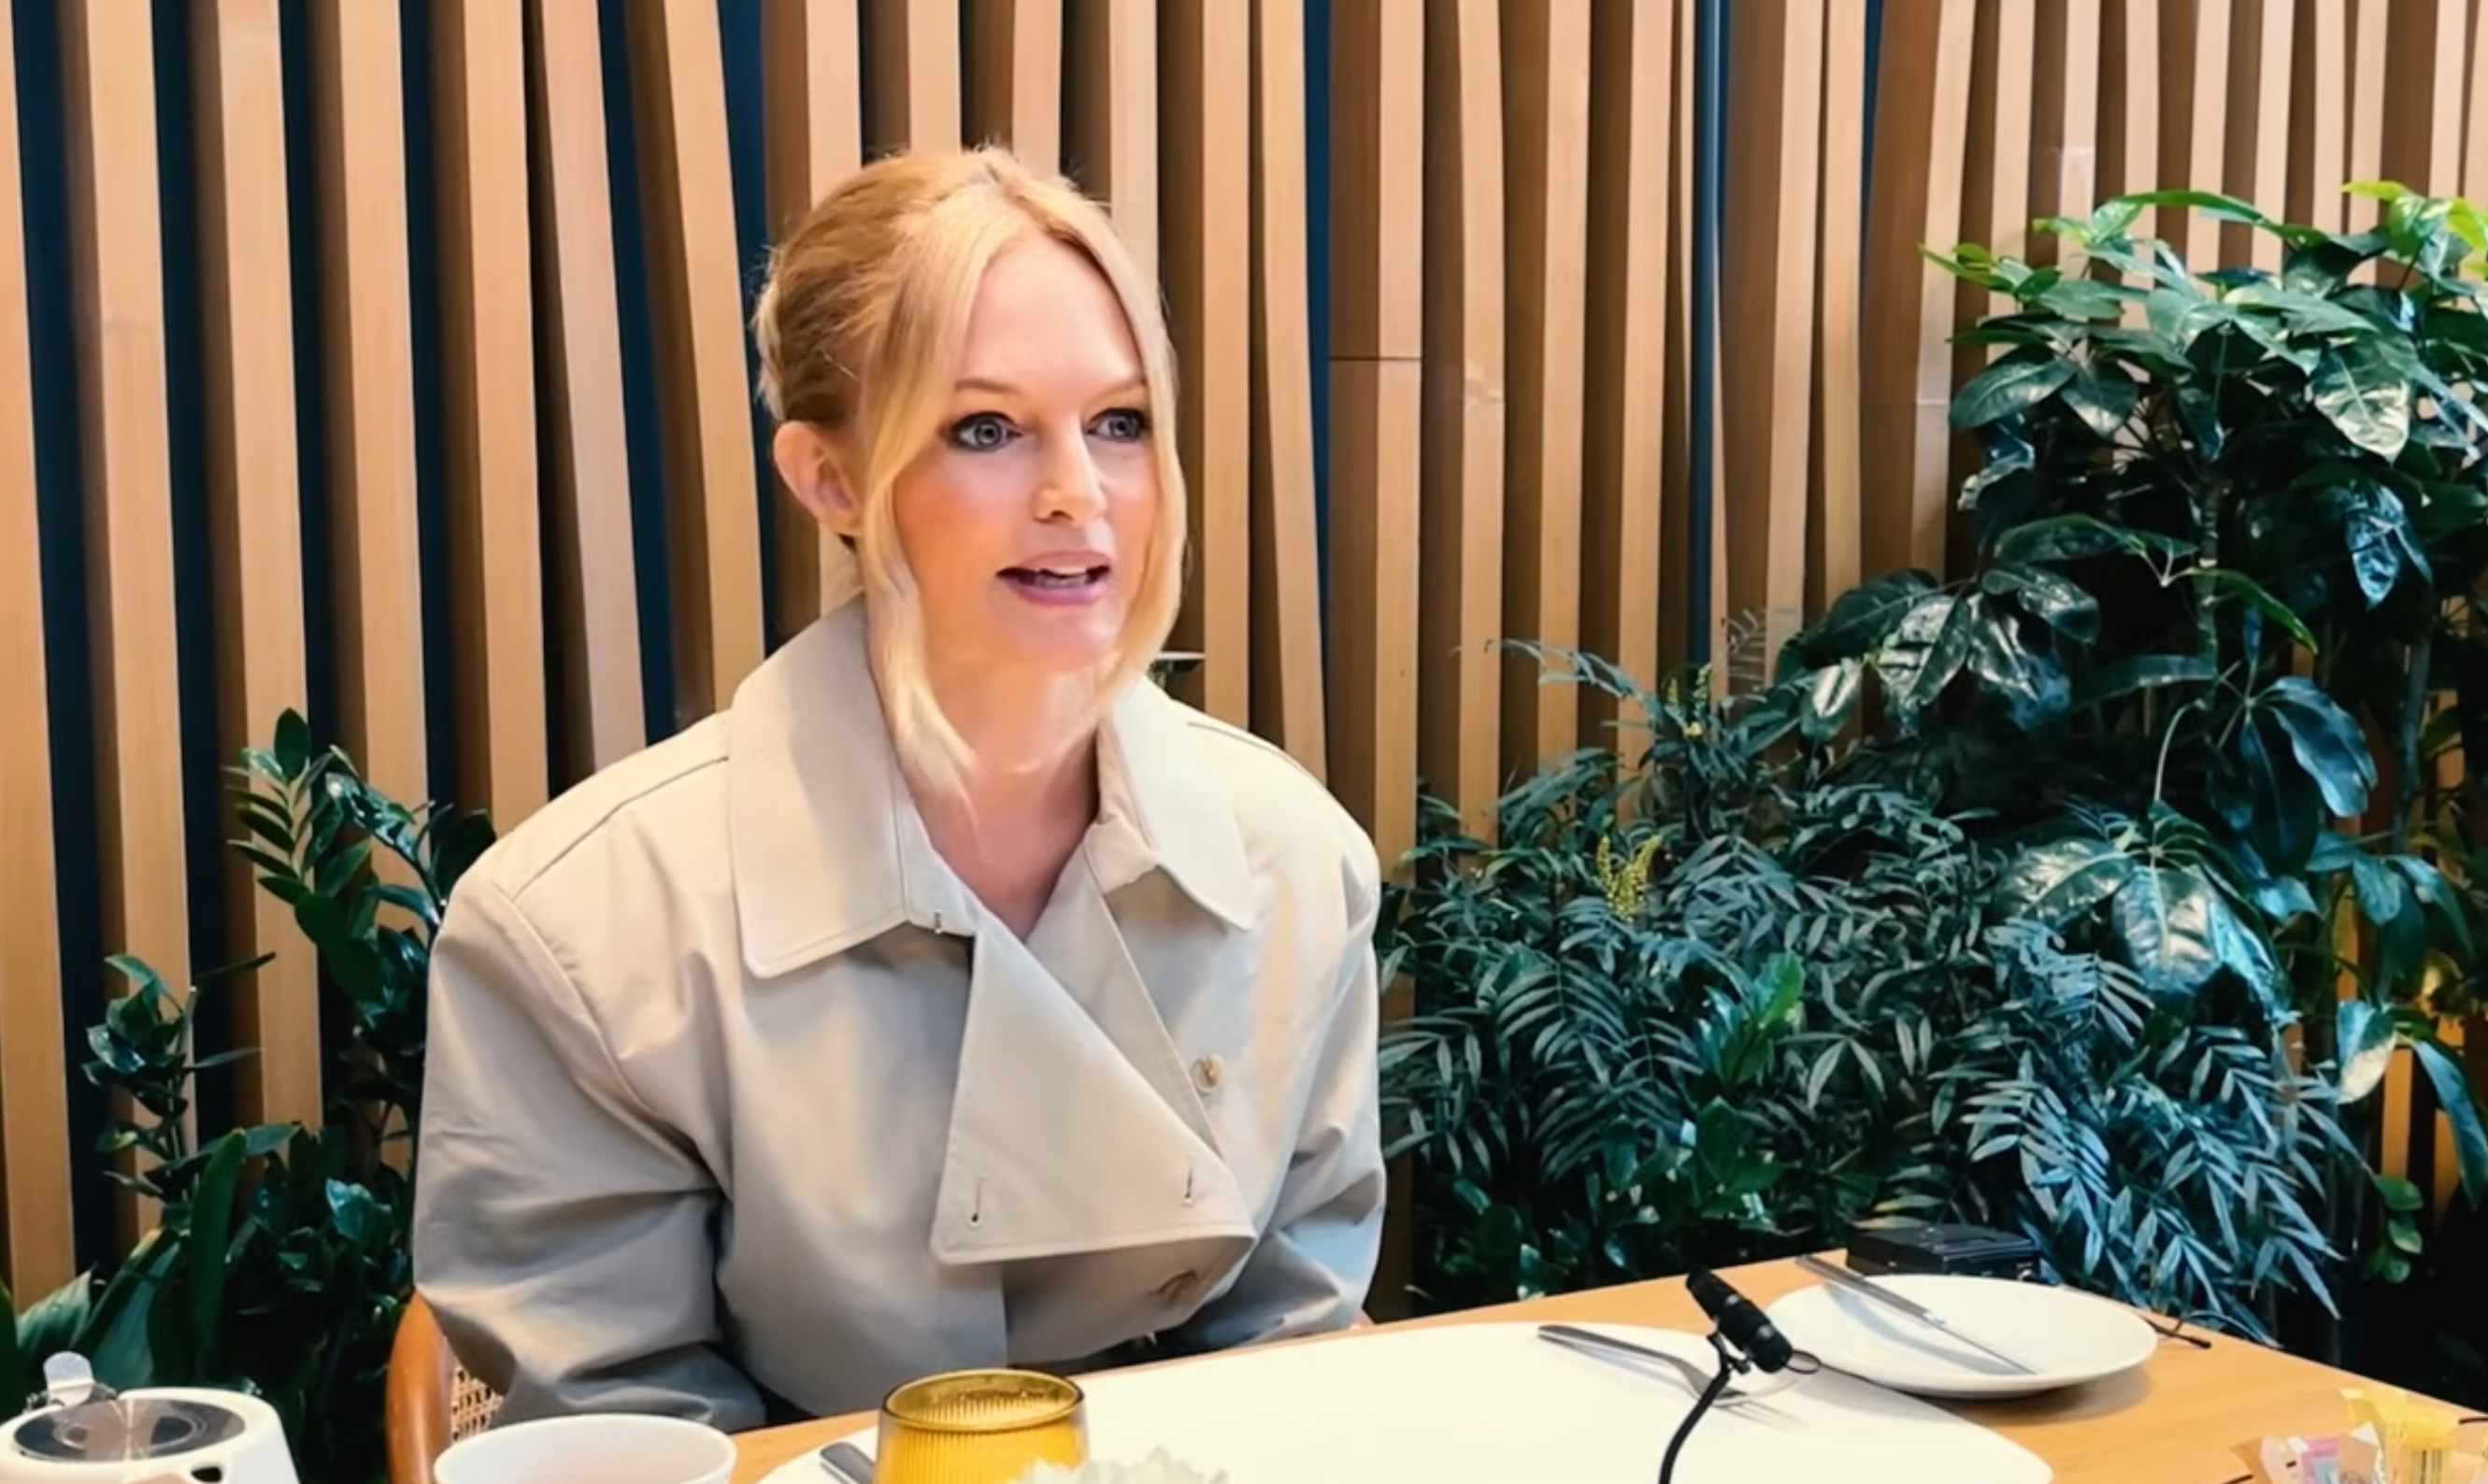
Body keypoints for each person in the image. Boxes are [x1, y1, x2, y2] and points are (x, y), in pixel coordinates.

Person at [408, 147, 1387, 1432]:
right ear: (827, 480)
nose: (1075, 496)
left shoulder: (1293, 857)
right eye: (985, 429)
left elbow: (1299, 1348)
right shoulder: (576, 932)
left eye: (1119, 422)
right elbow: (629, 1431)